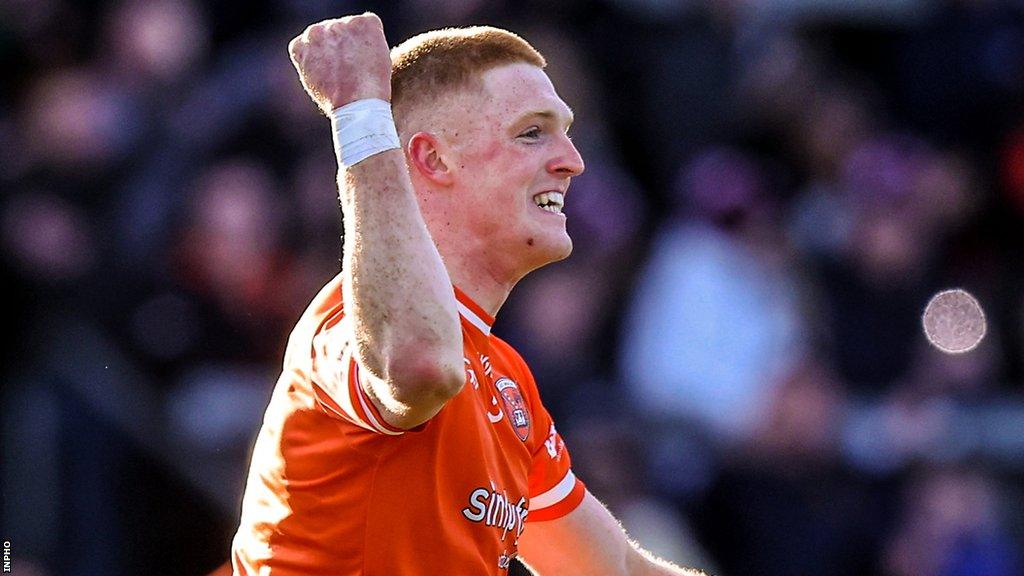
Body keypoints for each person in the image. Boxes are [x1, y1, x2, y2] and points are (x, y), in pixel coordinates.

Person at [230, 13, 708, 576]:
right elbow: (420, 363)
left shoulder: (504, 377)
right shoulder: (348, 323)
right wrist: (359, 112)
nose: (572, 162)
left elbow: (613, 569)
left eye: (567, 132)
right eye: (532, 133)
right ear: (432, 159)